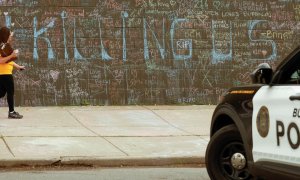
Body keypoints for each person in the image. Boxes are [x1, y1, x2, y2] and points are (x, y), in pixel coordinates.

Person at [0, 26, 25, 119]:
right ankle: (11, 112)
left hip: (4, 73)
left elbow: (8, 60)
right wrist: (12, 55)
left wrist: (18, 67)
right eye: (9, 35)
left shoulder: (4, 45)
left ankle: (11, 112)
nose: (11, 36)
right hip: (5, 74)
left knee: (2, 93)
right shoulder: (1, 46)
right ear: (5, 35)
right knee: (10, 92)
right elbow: (1, 61)